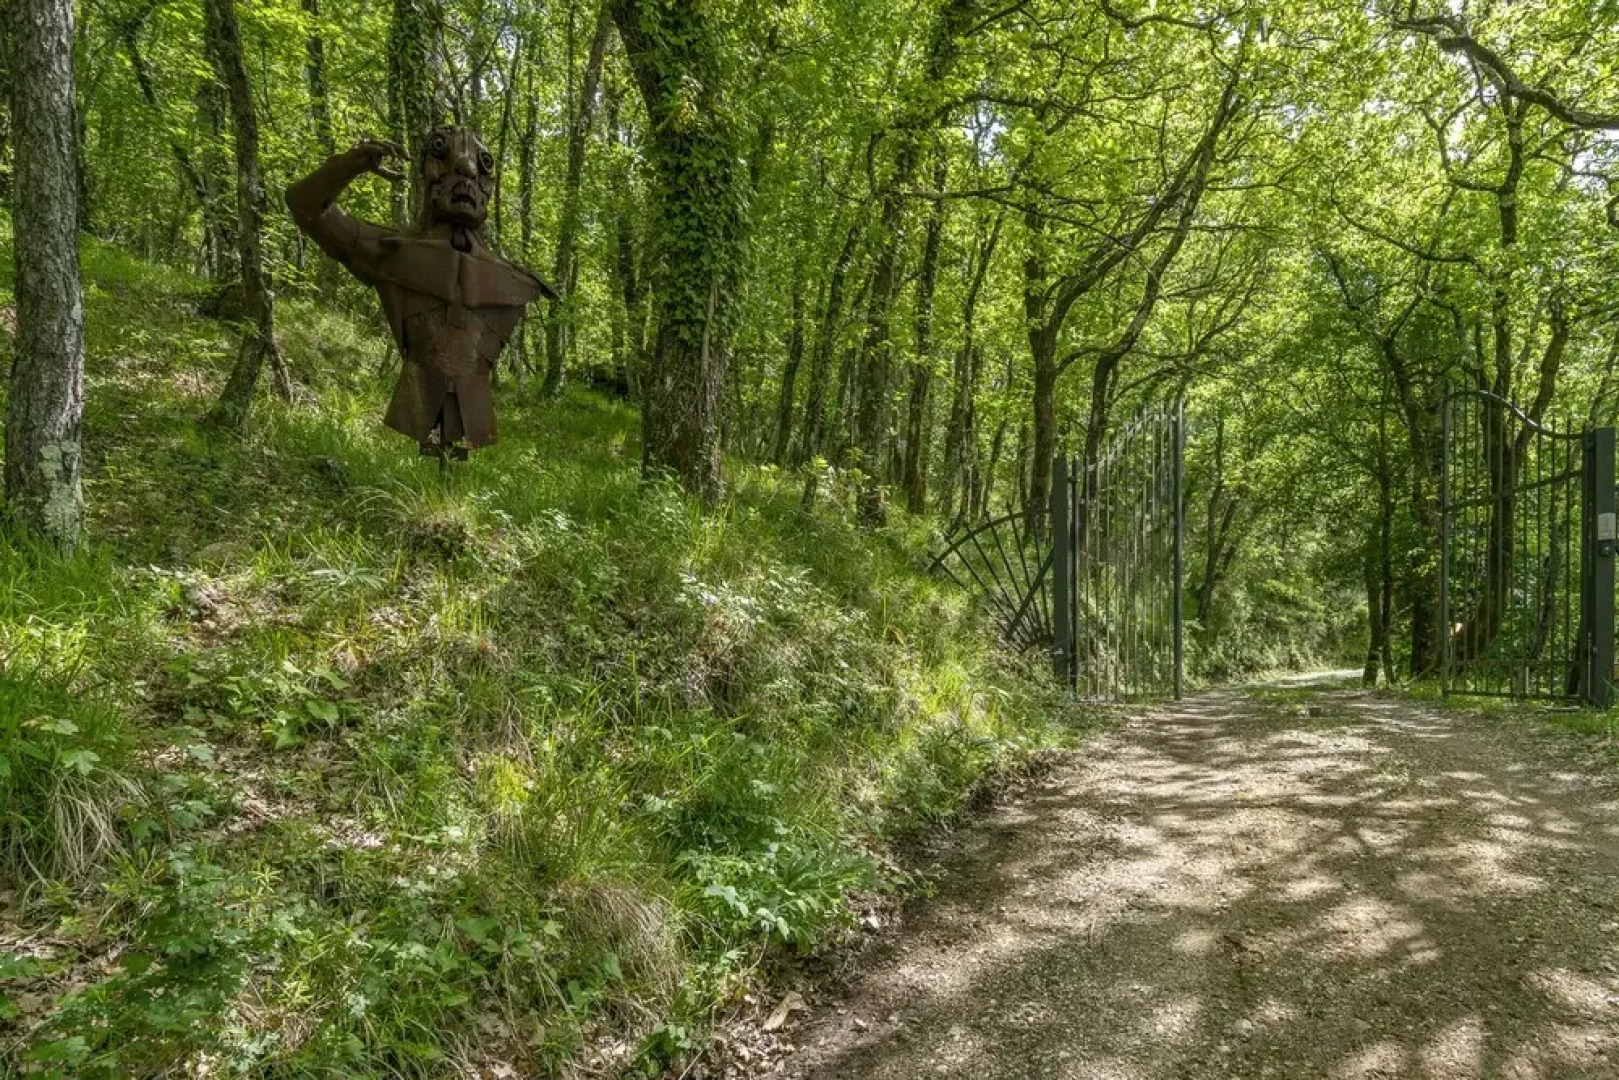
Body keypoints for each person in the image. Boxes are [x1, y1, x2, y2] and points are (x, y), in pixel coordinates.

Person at [286, 128, 554, 460]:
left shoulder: (515, 280)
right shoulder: (390, 251)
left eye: (483, 164)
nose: (467, 169)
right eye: (443, 153)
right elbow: (304, 205)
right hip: (419, 395)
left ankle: (448, 470)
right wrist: (349, 165)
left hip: (473, 407)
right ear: (426, 174)